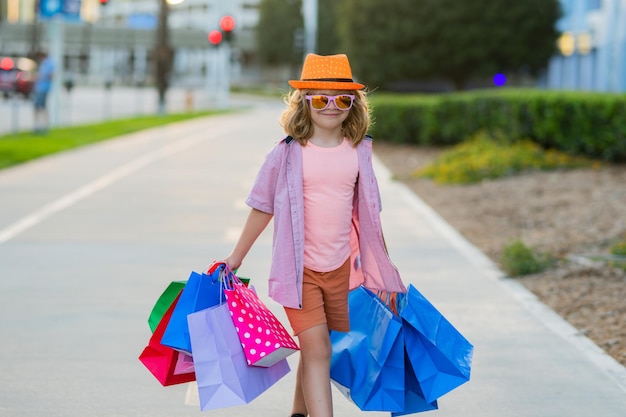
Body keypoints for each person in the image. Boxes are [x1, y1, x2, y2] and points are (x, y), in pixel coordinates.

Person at [223, 53, 406, 417]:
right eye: (321, 98)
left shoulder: (359, 151)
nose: (331, 106)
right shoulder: (286, 154)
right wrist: (236, 256)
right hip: (299, 271)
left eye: (342, 99)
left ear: (354, 104)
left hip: (340, 270)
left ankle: (297, 412)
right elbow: (262, 206)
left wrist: (384, 270)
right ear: (304, 103)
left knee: (318, 348)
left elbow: (370, 216)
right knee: (318, 347)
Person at [33, 51, 54, 133]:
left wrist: (42, 77)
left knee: (39, 106)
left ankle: (42, 126)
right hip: (40, 88)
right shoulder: (45, 63)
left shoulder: (49, 63)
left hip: (44, 88)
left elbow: (51, 75)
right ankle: (41, 125)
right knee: (40, 106)